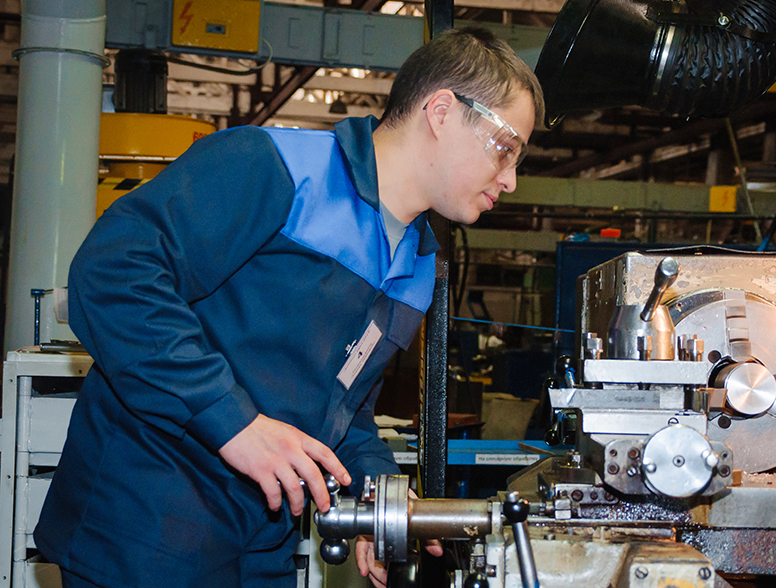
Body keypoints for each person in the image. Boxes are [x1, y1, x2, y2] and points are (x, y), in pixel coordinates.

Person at [35, 26, 543, 588]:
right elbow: (111, 273)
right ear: (442, 111)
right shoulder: (274, 169)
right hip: (146, 526)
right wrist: (236, 422)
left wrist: (379, 500)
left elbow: (342, 409)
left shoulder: (420, 265)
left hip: (262, 542)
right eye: (505, 148)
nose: (512, 180)